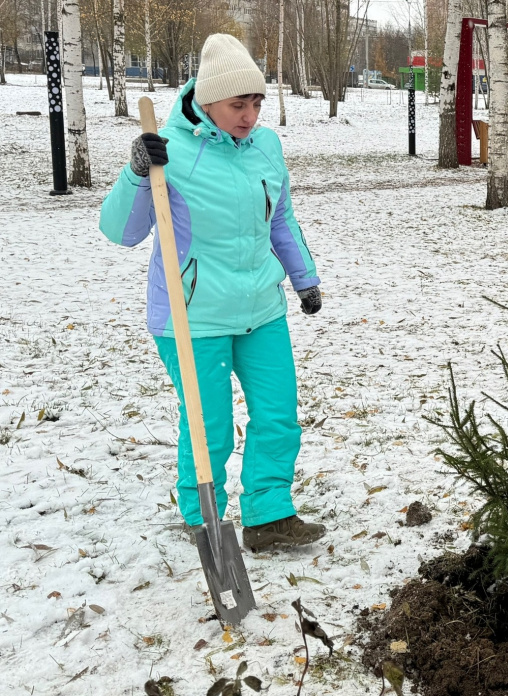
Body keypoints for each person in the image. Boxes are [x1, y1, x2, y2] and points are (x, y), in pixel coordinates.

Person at [99, 34, 326, 553]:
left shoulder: (265, 146)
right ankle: (204, 518)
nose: (249, 115)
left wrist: (303, 278)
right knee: (210, 424)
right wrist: (137, 171)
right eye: (237, 104)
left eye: (256, 103)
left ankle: (269, 514)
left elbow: (281, 220)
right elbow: (121, 231)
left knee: (277, 412)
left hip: (261, 308)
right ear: (207, 102)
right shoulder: (169, 151)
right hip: (193, 312)